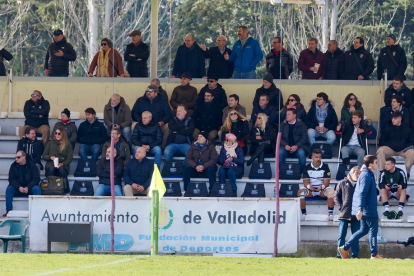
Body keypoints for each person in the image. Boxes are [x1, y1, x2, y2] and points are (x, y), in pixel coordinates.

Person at [338, 155, 383, 259]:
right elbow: (362, 193)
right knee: (373, 231)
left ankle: (344, 248)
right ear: (370, 164)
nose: (377, 164)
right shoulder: (366, 175)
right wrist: (361, 209)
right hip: (368, 209)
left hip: (366, 209)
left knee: (363, 231)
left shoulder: (367, 174)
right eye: (376, 162)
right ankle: (374, 254)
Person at [334, 166, 362, 259]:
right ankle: (340, 254)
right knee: (341, 235)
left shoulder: (361, 184)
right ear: (351, 173)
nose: (358, 175)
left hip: (356, 214)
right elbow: (336, 197)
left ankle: (355, 255)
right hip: (344, 214)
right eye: (357, 173)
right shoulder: (342, 183)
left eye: (360, 173)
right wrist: (341, 208)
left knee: (355, 236)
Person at [3, 151, 40, 217]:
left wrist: (28, 187)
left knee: (37, 189)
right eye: (15, 157)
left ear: (24, 157)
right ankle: (8, 211)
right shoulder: (13, 166)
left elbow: (36, 178)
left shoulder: (32, 165)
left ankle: (36, 211)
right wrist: (18, 187)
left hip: (29, 188)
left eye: (18, 157)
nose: (16, 159)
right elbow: (11, 179)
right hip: (18, 188)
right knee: (9, 189)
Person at [377, 111, 414, 177]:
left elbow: (411, 142)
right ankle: (382, 172)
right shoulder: (388, 128)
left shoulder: (407, 129)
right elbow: (381, 141)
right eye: (392, 118)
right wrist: (391, 145)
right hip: (391, 149)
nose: (393, 120)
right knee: (381, 150)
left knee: (412, 152)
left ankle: (406, 173)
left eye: (395, 118)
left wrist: (404, 146)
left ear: (400, 119)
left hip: (403, 150)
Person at [300, 149, 334, 220]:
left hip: (322, 189)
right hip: (310, 190)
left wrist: (322, 187)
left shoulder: (325, 167)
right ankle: (304, 214)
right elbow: (305, 182)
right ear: (312, 157)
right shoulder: (307, 167)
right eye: (316, 157)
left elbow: (327, 182)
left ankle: (330, 214)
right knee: (300, 192)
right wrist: (309, 186)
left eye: (319, 157)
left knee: (331, 192)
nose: (318, 159)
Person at [279, 109, 309, 173]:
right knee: (280, 153)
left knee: (301, 154)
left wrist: (297, 146)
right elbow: (279, 138)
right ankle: (282, 172)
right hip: (286, 147)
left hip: (298, 147)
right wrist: (285, 145)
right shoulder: (283, 124)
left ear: (294, 115)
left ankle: (301, 173)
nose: (287, 116)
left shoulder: (301, 124)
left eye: (289, 114)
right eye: (286, 114)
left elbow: (304, 138)